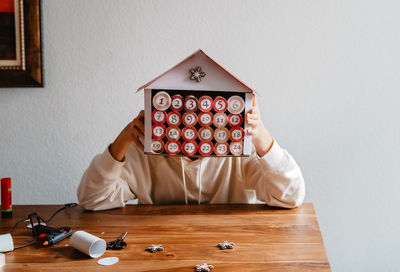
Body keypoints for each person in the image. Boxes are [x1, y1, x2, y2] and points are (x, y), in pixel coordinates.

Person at [77, 99, 305, 210]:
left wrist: (262, 137)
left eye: (204, 114)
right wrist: (123, 140)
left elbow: (291, 196)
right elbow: (91, 198)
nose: (194, 123)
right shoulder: (145, 153)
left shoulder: (240, 153)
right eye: (182, 114)